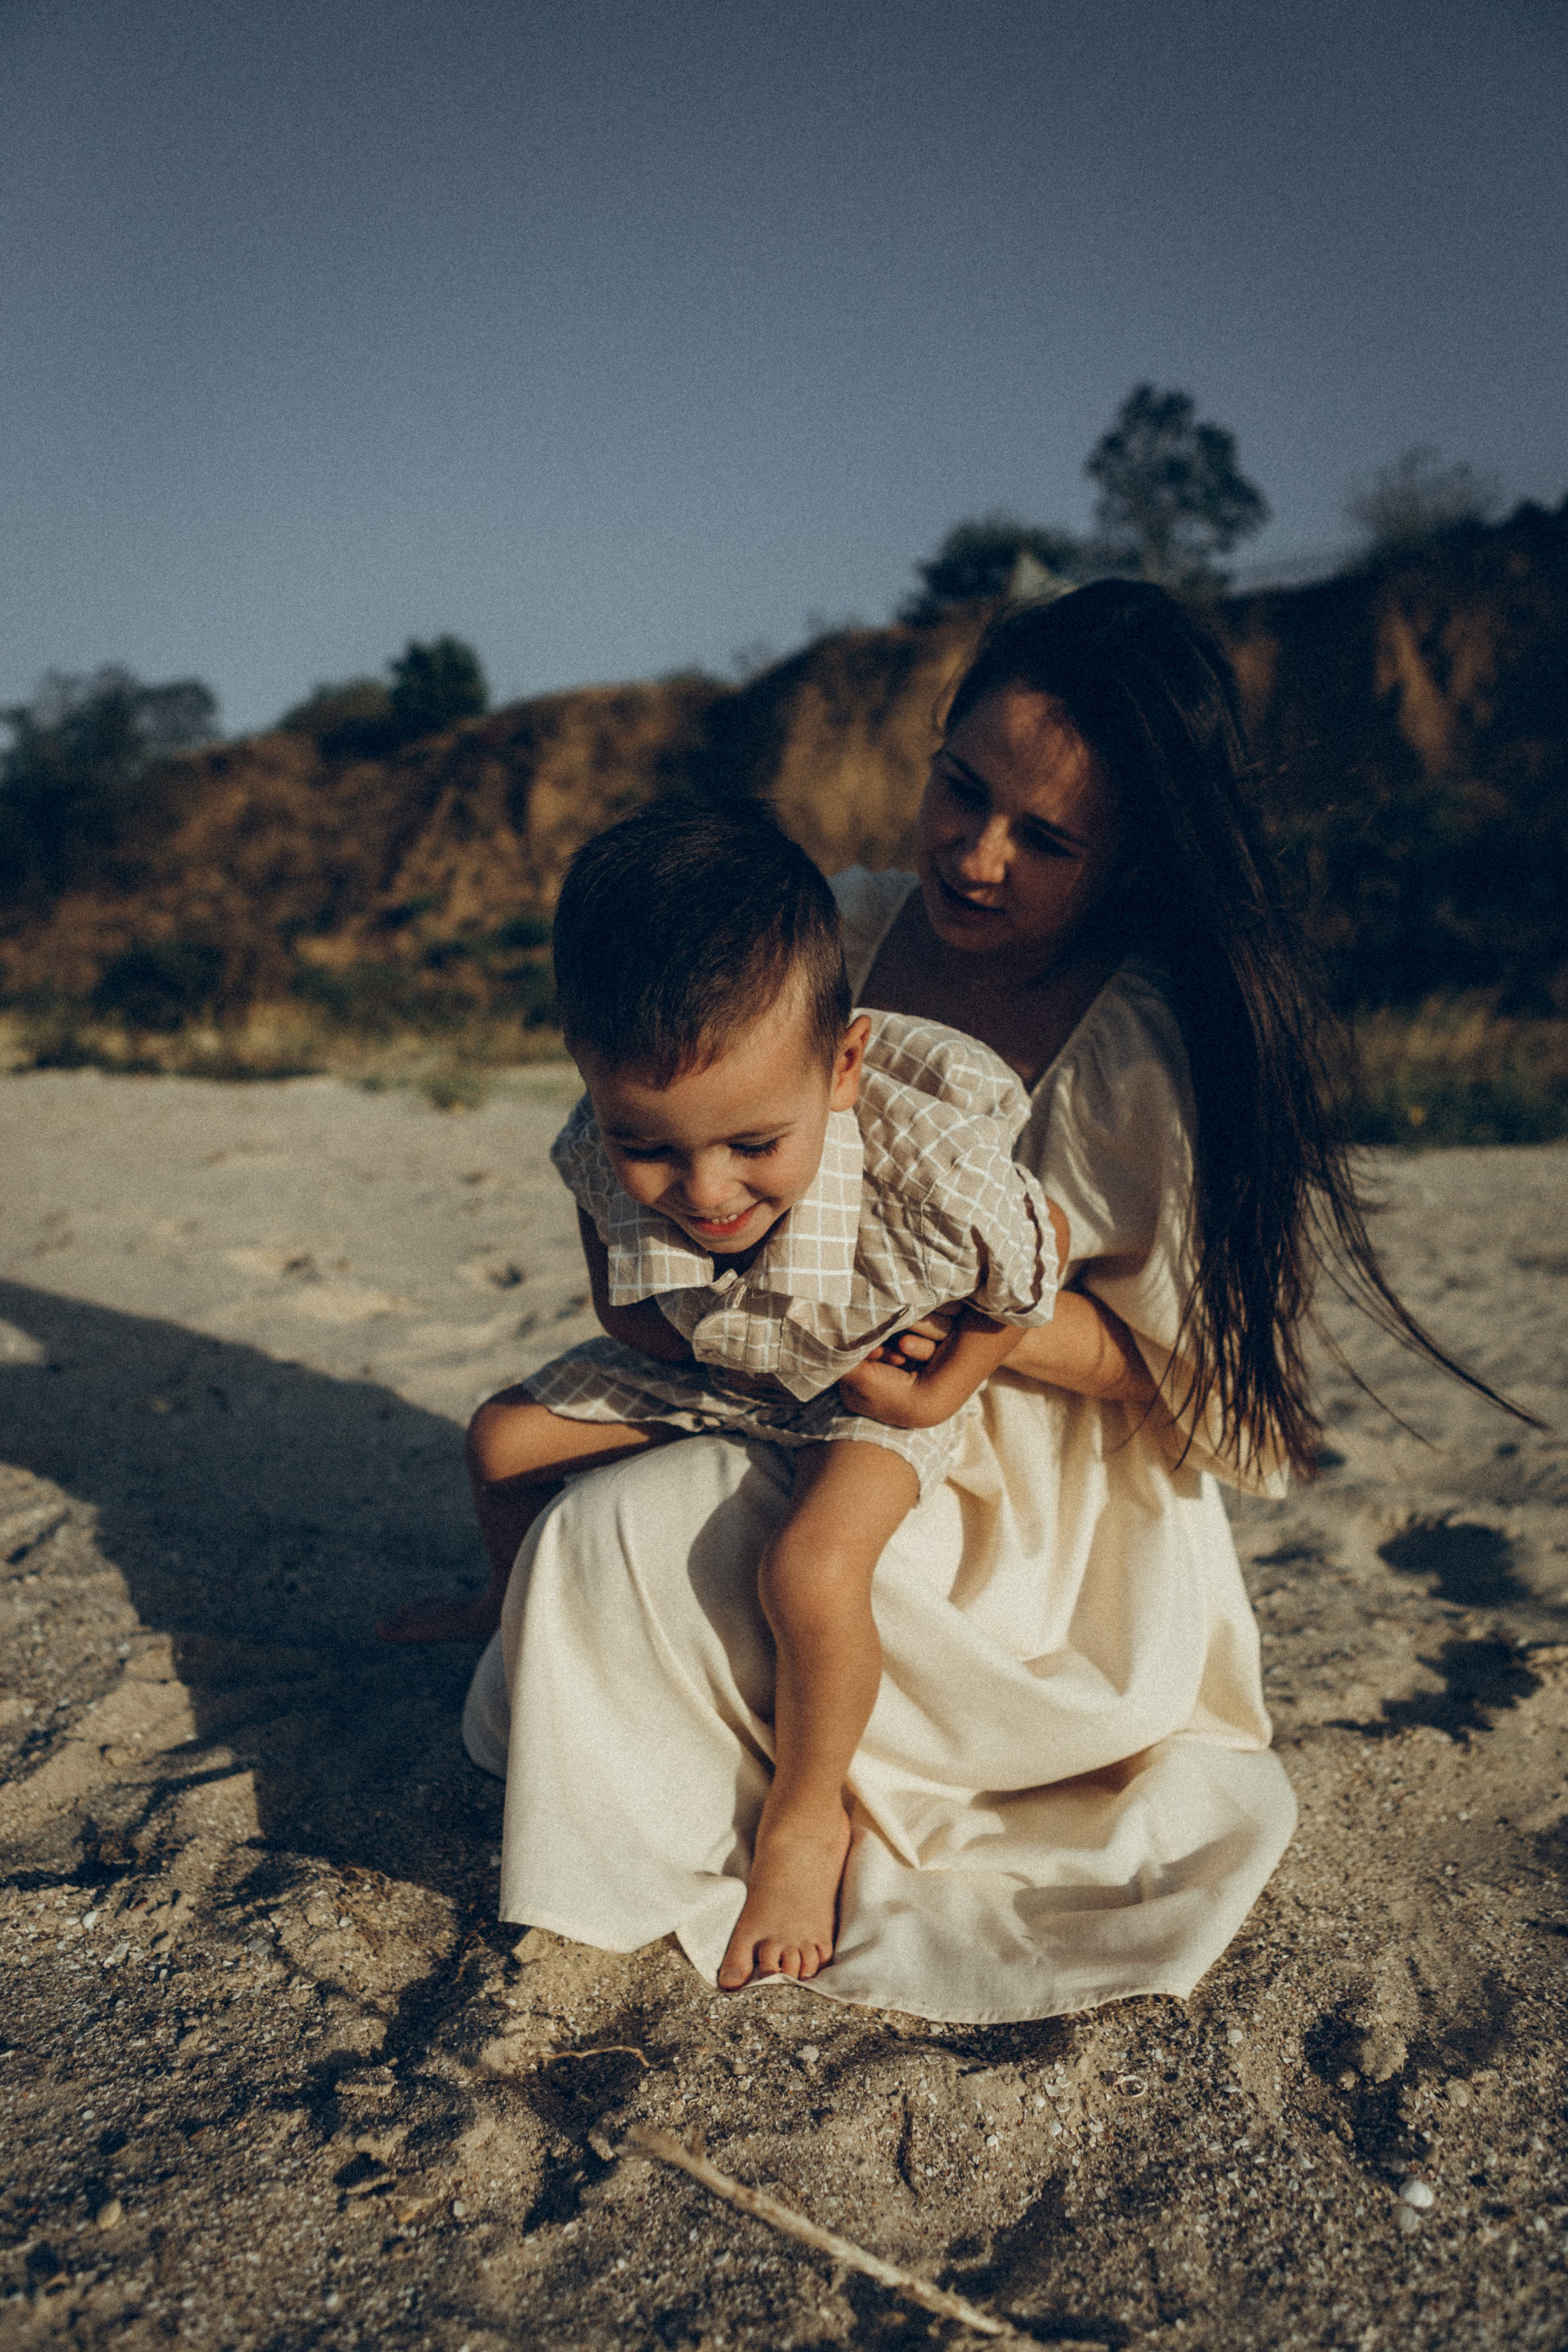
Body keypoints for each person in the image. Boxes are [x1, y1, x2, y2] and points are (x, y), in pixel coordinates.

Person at [462, 580, 1507, 2025]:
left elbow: (1189, 1385)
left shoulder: (1139, 1050)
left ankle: (805, 1814)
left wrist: (961, 1341)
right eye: (961, 788)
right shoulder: (833, 931)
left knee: (672, 1543)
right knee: (573, 1513)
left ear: (1129, 855)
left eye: (1046, 837)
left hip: (1009, 1478)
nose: (976, 852)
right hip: (783, 1375)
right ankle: (545, 1661)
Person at [385, 802, 1150, 1986]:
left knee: (809, 1569)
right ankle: (504, 1606)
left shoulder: (933, 1162)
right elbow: (622, 1300)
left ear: (841, 1068)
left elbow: (1032, 1266)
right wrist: (676, 1337)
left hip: (862, 1378)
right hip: (718, 1361)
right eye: (656, 1149)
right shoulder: (605, 1138)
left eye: (751, 1142)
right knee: (500, 1438)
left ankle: (806, 1816)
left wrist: (936, 1389)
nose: (704, 1189)